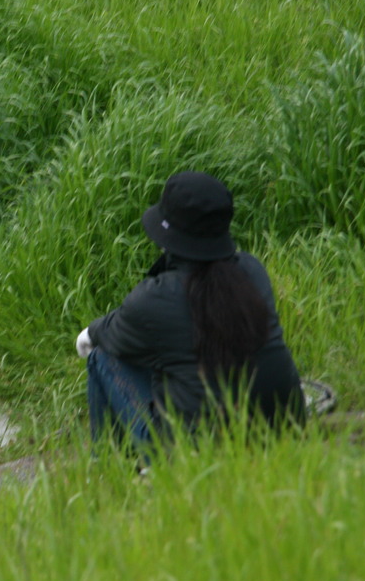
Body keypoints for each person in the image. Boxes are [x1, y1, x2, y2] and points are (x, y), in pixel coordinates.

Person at [75, 171, 305, 453]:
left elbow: (109, 335)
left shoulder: (154, 298)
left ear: (168, 235)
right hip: (284, 429)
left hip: (195, 451)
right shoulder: (252, 271)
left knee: (102, 357)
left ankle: (111, 466)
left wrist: (88, 334)